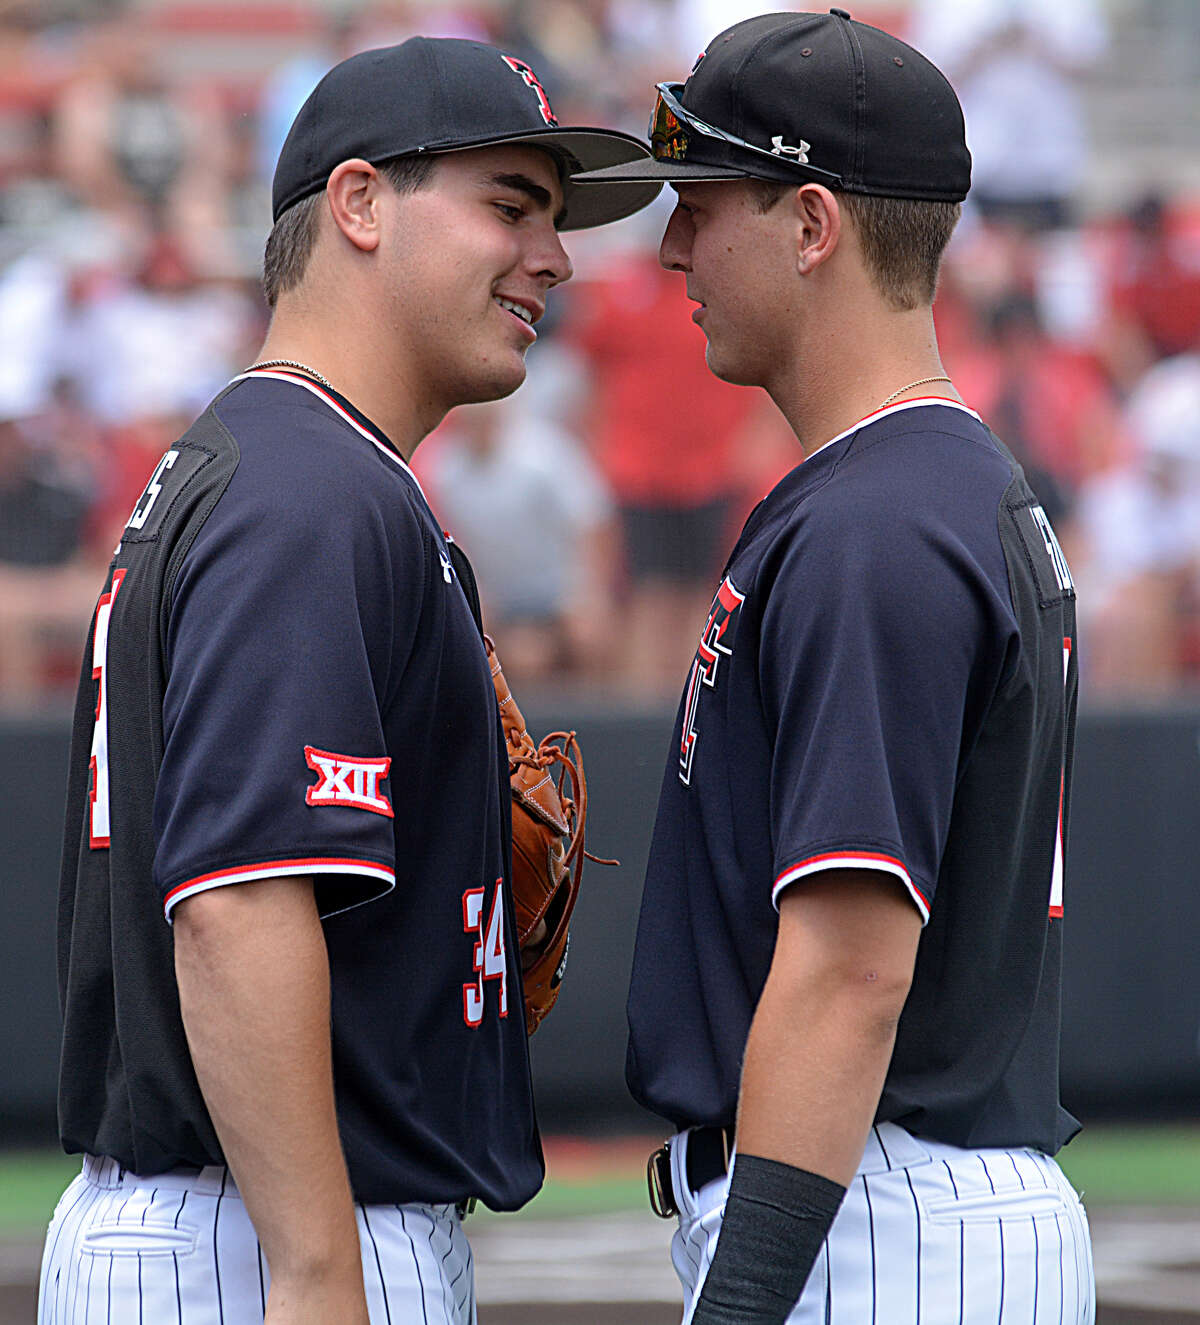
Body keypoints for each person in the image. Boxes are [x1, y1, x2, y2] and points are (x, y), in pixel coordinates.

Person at [40, 35, 657, 1325]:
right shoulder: (308, 490)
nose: (554, 256)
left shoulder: (289, 463)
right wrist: (318, 1274)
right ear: (361, 204)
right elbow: (237, 905)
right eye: (510, 205)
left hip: (243, 1220)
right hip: (269, 1235)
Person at [574, 10, 1094, 1323]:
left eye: (704, 200)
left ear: (812, 226)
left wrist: (744, 1297)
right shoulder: (920, 486)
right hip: (895, 1206)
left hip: (875, 1223)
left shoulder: (879, 526)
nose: (673, 243)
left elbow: (853, 971)